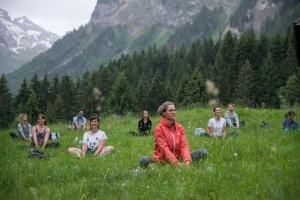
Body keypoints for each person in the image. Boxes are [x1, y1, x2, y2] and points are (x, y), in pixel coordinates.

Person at [140, 102, 207, 167]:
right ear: (164, 113)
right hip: (162, 161)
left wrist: (187, 161)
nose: (173, 112)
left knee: (203, 152)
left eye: (174, 110)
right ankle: (162, 166)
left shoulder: (180, 128)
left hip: (179, 159)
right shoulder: (159, 128)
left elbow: (184, 146)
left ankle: (184, 164)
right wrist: (176, 164)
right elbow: (164, 148)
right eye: (170, 110)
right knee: (144, 160)